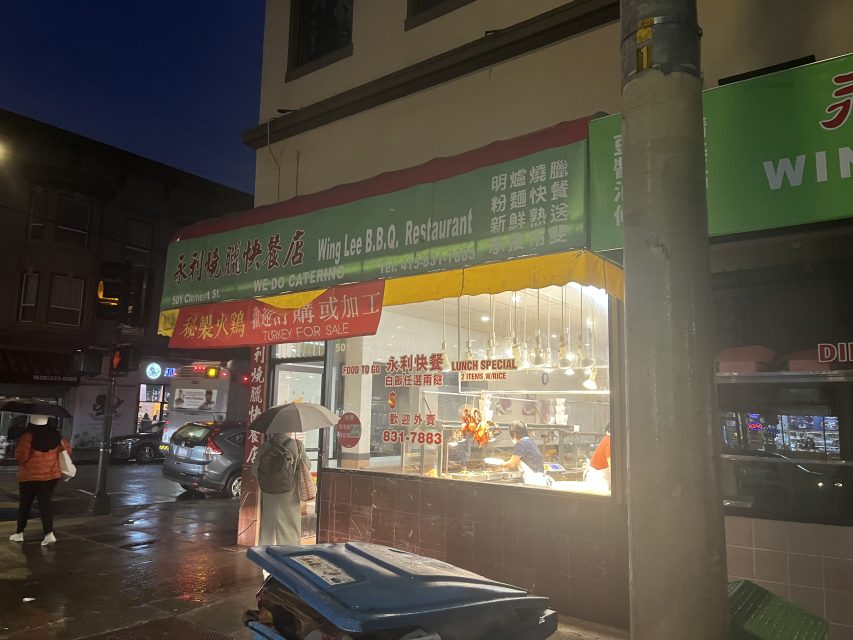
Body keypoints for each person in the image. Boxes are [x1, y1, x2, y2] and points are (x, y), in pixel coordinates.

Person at [9, 415, 72, 546]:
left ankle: (19, 533)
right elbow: (68, 450)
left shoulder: (28, 436)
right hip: (51, 476)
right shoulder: (55, 435)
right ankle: (49, 534)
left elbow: (21, 457)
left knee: (25, 504)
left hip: (29, 477)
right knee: (45, 505)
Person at [254, 433, 308, 546]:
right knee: (289, 531)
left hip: (269, 496)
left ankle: (266, 555)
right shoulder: (297, 445)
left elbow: (254, 472)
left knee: (268, 531)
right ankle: (287, 558)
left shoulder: (265, 447)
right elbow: (306, 467)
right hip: (289, 498)